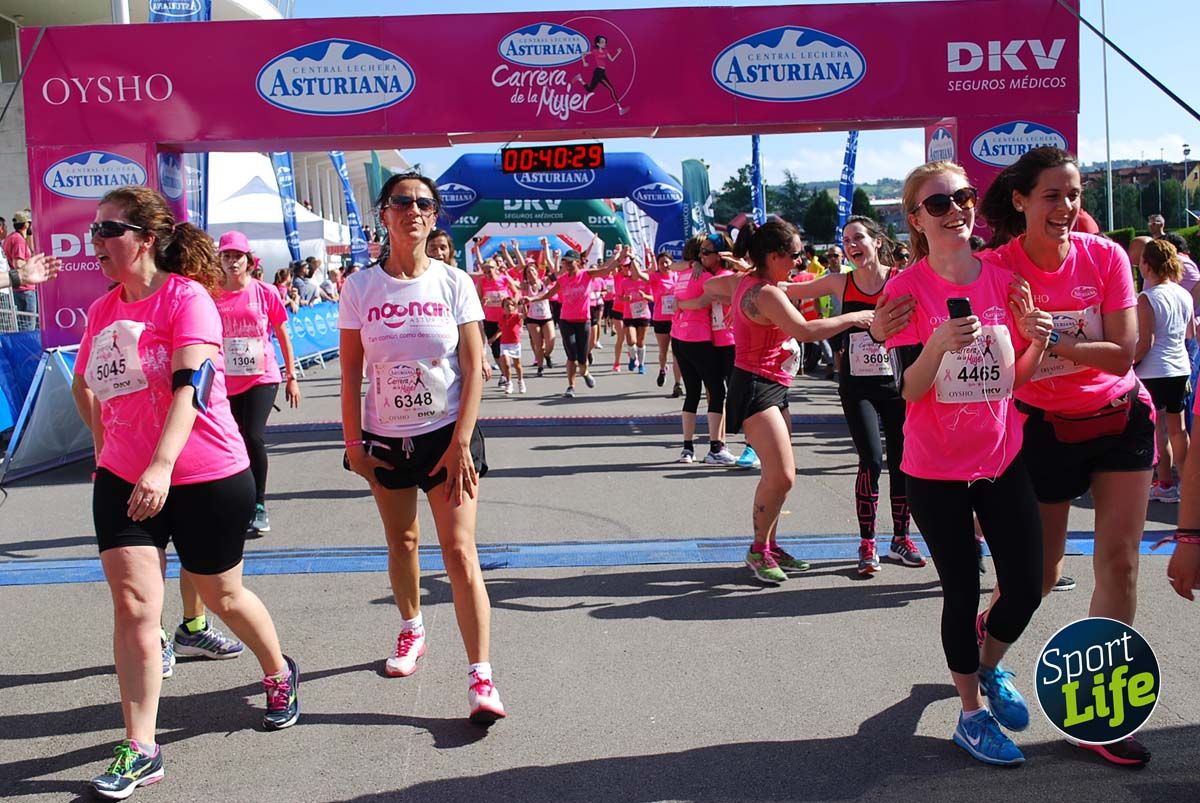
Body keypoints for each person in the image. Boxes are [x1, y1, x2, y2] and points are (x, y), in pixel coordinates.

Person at [71, 187, 299, 799]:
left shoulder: (188, 298)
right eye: (92, 232)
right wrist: (108, 450)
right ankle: (141, 747)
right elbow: (84, 387)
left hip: (205, 474)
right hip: (124, 478)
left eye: (108, 230)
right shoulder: (101, 311)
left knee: (223, 594)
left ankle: (277, 671)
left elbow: (191, 386)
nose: (95, 243)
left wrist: (161, 464)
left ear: (146, 238)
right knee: (137, 608)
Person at [978, 146, 1154, 766]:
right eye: (1053, 195)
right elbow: (990, 368)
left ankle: (1100, 713)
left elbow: (1125, 351)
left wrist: (1053, 335)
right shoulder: (995, 268)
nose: (1067, 206)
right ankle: (987, 659)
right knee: (1041, 575)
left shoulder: (1104, 256)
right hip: (1041, 430)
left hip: (1119, 420)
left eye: (1074, 194)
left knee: (1120, 565)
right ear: (1021, 200)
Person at [873, 160, 1051, 767]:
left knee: (1028, 583)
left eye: (964, 197)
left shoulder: (1002, 276)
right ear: (916, 220)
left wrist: (1041, 341)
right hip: (934, 468)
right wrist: (936, 345)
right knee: (960, 587)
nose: (956, 211)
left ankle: (989, 659)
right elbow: (909, 389)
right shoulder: (905, 290)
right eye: (939, 204)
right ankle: (970, 716)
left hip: (1001, 458)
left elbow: (1012, 379)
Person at [339, 173, 504, 724]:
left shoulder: (455, 282)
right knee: (402, 539)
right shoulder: (360, 288)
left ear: (435, 216)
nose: (414, 210)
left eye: (425, 203)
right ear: (384, 214)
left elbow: (475, 368)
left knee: (459, 553)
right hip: (386, 434)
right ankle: (412, 629)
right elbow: (350, 374)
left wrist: (461, 442)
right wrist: (353, 444)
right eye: (403, 202)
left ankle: (481, 677)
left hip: (446, 433)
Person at [691, 219, 874, 582]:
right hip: (756, 386)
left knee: (777, 474)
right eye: (794, 255)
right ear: (773, 256)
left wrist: (741, 272)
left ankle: (770, 545)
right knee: (783, 476)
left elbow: (712, 284)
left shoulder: (755, 282)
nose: (799, 262)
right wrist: (854, 317)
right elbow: (804, 330)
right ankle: (758, 549)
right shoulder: (766, 292)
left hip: (772, 385)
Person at [787, 216, 924, 576]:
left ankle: (900, 538)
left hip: (897, 383)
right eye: (846, 240)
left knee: (901, 460)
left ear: (877, 242)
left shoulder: (901, 278)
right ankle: (867, 543)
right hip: (856, 385)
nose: (852, 245)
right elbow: (790, 292)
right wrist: (754, 281)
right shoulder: (839, 282)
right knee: (870, 458)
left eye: (859, 238)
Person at [1133, 239, 1192, 502]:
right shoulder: (1184, 294)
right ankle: (1188, 484)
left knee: (1159, 431)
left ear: (1147, 264)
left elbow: (1146, 342)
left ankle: (1165, 483)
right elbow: (1190, 333)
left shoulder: (1147, 297)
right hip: (1180, 367)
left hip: (1153, 371)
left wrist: (1127, 363)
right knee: (1179, 430)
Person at [670, 234, 735, 464]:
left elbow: (671, 266)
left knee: (693, 393)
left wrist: (679, 305)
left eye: (705, 253)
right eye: (701, 253)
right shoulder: (706, 276)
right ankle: (716, 448)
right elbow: (701, 302)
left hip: (678, 337)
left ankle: (687, 449)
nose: (702, 256)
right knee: (717, 392)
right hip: (699, 338)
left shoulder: (681, 274)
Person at [526, 247, 619, 397]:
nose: (567, 265)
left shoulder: (587, 274)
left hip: (583, 321)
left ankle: (585, 372)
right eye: (565, 262)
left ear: (577, 262)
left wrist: (619, 255)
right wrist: (531, 299)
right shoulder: (562, 279)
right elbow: (548, 294)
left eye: (570, 262)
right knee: (571, 356)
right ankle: (571, 386)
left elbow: (607, 269)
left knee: (582, 358)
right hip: (566, 320)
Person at [649, 250, 683, 395]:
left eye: (666, 262)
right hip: (660, 319)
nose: (664, 265)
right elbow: (639, 275)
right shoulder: (655, 277)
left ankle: (677, 384)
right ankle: (662, 369)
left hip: (676, 319)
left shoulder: (678, 276)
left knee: (677, 353)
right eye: (661, 262)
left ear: (671, 263)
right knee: (663, 351)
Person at [521, 254, 556, 377]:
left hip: (546, 317)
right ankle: (540, 367)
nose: (531, 273)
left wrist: (554, 257)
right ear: (526, 275)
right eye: (528, 272)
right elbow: (522, 300)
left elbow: (556, 272)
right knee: (538, 345)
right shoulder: (526, 286)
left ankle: (547, 355)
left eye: (532, 270)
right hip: (532, 319)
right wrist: (524, 313)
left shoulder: (545, 282)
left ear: (537, 271)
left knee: (550, 342)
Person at [574, 35, 626, 115]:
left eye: (605, 42)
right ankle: (620, 109)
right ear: (598, 44)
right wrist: (584, 62)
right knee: (611, 89)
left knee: (590, 90)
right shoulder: (595, 51)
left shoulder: (606, 51)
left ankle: (580, 78)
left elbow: (611, 60)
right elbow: (583, 53)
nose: (604, 43)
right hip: (598, 72)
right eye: (602, 42)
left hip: (602, 72)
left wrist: (618, 53)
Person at [3, 211, 37, 330]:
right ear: (26, 224)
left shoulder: (12, 238)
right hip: (25, 288)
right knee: (28, 327)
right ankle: (27, 348)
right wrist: (34, 265)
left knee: (23, 324)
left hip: (19, 287)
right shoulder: (18, 240)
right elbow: (18, 263)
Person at [490, 296, 527, 394]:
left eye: (512, 305)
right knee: (506, 364)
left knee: (517, 365)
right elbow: (501, 330)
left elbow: (525, 316)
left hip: (515, 344)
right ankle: (509, 382)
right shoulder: (501, 318)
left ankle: (520, 381)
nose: (509, 307)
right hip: (504, 344)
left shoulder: (516, 316)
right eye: (507, 305)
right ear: (503, 308)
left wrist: (524, 305)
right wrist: (493, 338)